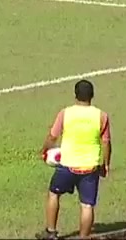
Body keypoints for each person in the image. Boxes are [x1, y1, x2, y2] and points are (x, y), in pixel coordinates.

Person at [38, 79, 111, 240]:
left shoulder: (65, 113)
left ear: (75, 95)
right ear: (92, 95)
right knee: (87, 205)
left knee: (54, 194)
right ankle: (83, 237)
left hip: (67, 164)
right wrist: (105, 164)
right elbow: (106, 143)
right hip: (90, 167)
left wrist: (44, 150)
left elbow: (52, 136)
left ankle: (51, 232)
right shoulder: (101, 116)